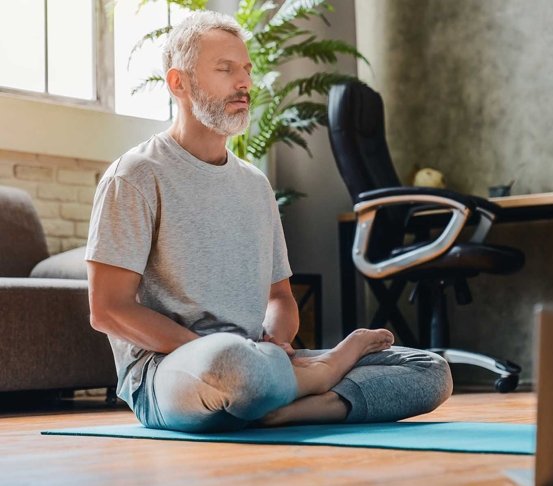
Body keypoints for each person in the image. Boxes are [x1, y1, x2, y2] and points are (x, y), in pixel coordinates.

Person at [85, 10, 452, 433]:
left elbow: (280, 297)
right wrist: (230, 353)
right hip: (170, 372)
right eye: (225, 69)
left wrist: (276, 343)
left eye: (246, 70)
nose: (244, 83)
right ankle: (315, 375)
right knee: (232, 365)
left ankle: (291, 407)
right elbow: (108, 310)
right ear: (178, 83)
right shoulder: (135, 176)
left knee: (428, 370)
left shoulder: (255, 185)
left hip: (259, 359)